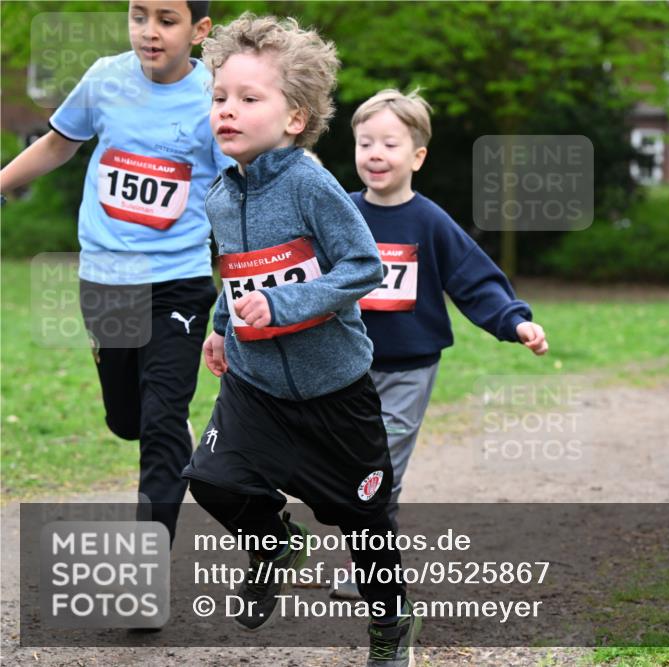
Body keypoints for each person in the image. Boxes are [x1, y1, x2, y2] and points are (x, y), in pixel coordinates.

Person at [180, 14, 418, 665]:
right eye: (220, 97)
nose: (227, 110)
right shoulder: (221, 194)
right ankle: (274, 542)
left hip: (334, 391)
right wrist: (223, 327)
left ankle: (392, 625)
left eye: (248, 99)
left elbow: (362, 266)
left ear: (294, 117)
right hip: (256, 384)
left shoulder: (310, 183)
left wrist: (284, 303)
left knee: (365, 523)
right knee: (211, 477)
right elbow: (235, 267)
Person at [0, 1, 226, 542]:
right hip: (106, 280)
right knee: (128, 420)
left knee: (161, 425)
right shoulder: (105, 78)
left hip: (179, 279)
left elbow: (234, 192)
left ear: (199, 31)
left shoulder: (214, 98)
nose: (149, 31)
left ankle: (147, 568)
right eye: (138, 15)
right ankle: (161, 421)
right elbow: (58, 143)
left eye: (166, 20)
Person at [351, 89, 548, 525]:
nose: (375, 154)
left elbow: (475, 280)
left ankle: (369, 572)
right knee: (340, 466)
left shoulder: (431, 222)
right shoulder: (339, 214)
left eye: (389, 144)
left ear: (418, 157)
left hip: (409, 369)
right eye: (365, 143)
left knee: (381, 469)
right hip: (342, 366)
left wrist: (514, 321)